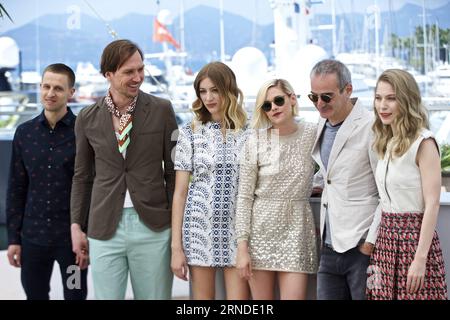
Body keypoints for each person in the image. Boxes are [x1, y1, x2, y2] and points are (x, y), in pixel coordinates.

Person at [70, 39, 178, 300]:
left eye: (140, 69)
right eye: (129, 72)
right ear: (108, 74)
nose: (138, 77)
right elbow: (82, 177)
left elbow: (174, 173)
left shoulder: (163, 110)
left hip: (154, 227)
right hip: (104, 228)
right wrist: (76, 226)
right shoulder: (86, 117)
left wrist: (177, 227)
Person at [6, 63, 88, 300]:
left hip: (71, 242)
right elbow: (16, 188)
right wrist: (14, 240)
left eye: (58, 88)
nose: (50, 93)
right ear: (40, 87)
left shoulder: (83, 134)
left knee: (75, 294)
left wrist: (86, 235)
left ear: (71, 92)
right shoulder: (24, 133)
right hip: (32, 240)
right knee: (35, 295)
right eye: (46, 86)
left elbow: (91, 187)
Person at [366, 69, 447, 300]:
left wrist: (420, 259)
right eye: (379, 98)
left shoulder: (424, 142)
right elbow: (384, 200)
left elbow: (432, 204)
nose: (383, 105)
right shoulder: (385, 142)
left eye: (391, 98)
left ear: (407, 100)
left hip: (415, 242)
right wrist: (373, 242)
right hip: (384, 243)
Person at [171, 61, 250, 299]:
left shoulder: (250, 133)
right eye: (203, 91)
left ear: (229, 90)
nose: (209, 97)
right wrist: (177, 248)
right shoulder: (189, 132)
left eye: (215, 90)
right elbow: (180, 193)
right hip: (198, 228)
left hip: (239, 231)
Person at [235, 78, 318, 300]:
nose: (273, 108)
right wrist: (242, 248)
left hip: (297, 230)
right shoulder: (255, 140)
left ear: (292, 99)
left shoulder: (313, 133)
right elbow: (243, 197)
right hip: (259, 233)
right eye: (266, 105)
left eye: (278, 100)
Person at [309, 59, 381, 300]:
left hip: (362, 246)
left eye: (326, 97)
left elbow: (386, 192)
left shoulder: (372, 127)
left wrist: (368, 244)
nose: (319, 104)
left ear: (348, 90)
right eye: (313, 97)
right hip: (328, 247)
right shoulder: (322, 123)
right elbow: (329, 173)